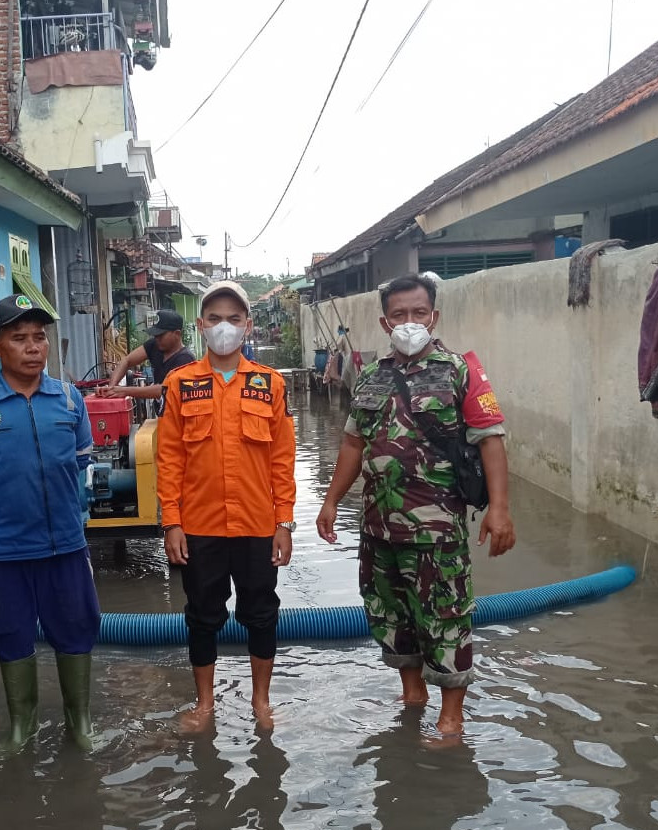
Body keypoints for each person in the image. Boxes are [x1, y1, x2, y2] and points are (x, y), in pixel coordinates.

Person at [315, 273, 516, 737]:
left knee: (445, 617)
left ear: (435, 316)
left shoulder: (460, 371)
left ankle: (451, 719)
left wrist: (499, 509)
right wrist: (330, 501)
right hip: (378, 528)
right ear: (385, 323)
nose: (410, 322)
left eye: (419, 313)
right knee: (391, 615)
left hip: (437, 529)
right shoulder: (371, 375)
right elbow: (351, 443)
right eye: (400, 315)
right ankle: (412, 694)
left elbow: (491, 441)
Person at [0, 293, 101, 753]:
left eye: (39, 338)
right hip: (5, 549)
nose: (33, 347)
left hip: (66, 545)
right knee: (10, 633)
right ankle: (21, 727)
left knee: (76, 627)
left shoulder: (69, 400)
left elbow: (78, 464)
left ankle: (81, 723)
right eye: (19, 338)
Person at [156, 280, 296, 730]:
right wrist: (171, 523)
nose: (224, 327)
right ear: (200, 326)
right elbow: (169, 459)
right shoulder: (180, 384)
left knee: (261, 612)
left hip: (257, 524)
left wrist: (285, 523)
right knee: (201, 615)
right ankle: (205, 705)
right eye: (214, 318)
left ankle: (261, 702)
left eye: (234, 319)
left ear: (248, 326)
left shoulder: (269, 384)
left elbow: (282, 459)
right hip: (200, 526)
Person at [98, 308, 194, 407]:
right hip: (163, 416)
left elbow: (165, 389)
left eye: (161, 335)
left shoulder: (185, 359)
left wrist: (125, 391)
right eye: (155, 335)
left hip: (179, 418)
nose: (157, 339)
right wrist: (111, 388)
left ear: (177, 334)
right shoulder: (155, 345)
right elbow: (127, 361)